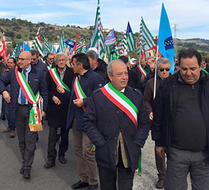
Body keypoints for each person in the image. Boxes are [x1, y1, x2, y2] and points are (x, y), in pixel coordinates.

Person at [153, 48, 209, 190]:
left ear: (201, 65)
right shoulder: (168, 85)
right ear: (178, 67)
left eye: (193, 68)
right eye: (184, 69)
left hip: (206, 154)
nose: (188, 73)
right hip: (176, 153)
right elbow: (159, 115)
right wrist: (159, 142)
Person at [83, 60, 150, 190]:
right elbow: (88, 122)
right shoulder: (98, 96)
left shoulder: (135, 95)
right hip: (106, 151)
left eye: (126, 73)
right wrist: (100, 142)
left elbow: (144, 122)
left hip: (129, 151)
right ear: (110, 76)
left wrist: (137, 142)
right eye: (120, 74)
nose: (124, 77)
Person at [0, 51, 48, 180]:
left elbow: (44, 92)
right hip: (18, 110)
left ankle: (27, 166)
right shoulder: (14, 73)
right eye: (18, 59)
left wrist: (44, 110)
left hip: (33, 111)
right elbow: (1, 81)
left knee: (30, 139)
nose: (18, 61)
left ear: (29, 60)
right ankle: (25, 161)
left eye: (21, 59)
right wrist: (4, 92)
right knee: (21, 140)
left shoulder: (39, 73)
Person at [67, 53, 105, 190]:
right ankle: (84, 178)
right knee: (78, 150)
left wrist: (85, 101)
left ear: (80, 65)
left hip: (90, 120)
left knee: (88, 152)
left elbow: (101, 97)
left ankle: (93, 182)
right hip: (77, 118)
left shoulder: (96, 78)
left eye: (73, 64)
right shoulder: (75, 79)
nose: (72, 66)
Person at [143, 57, 171, 189]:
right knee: (159, 149)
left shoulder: (176, 82)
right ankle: (162, 175)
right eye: (162, 69)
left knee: (173, 149)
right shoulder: (151, 83)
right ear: (157, 69)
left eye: (167, 69)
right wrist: (150, 110)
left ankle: (173, 174)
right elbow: (146, 100)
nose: (165, 72)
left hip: (173, 121)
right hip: (158, 121)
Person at [44, 53, 75, 169]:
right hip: (53, 108)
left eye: (63, 60)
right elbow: (46, 89)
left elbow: (74, 91)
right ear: (56, 62)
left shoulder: (72, 73)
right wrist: (52, 97)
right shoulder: (50, 73)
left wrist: (64, 94)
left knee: (64, 134)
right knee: (52, 136)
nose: (61, 62)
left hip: (66, 108)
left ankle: (62, 154)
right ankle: (51, 159)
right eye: (59, 60)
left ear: (66, 61)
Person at [2, 57, 16, 138]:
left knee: (13, 113)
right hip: (6, 95)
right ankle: (9, 125)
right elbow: (0, 82)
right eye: (8, 62)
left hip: (14, 96)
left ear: (14, 64)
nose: (9, 64)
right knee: (7, 112)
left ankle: (13, 129)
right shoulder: (4, 72)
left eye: (11, 63)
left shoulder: (18, 72)